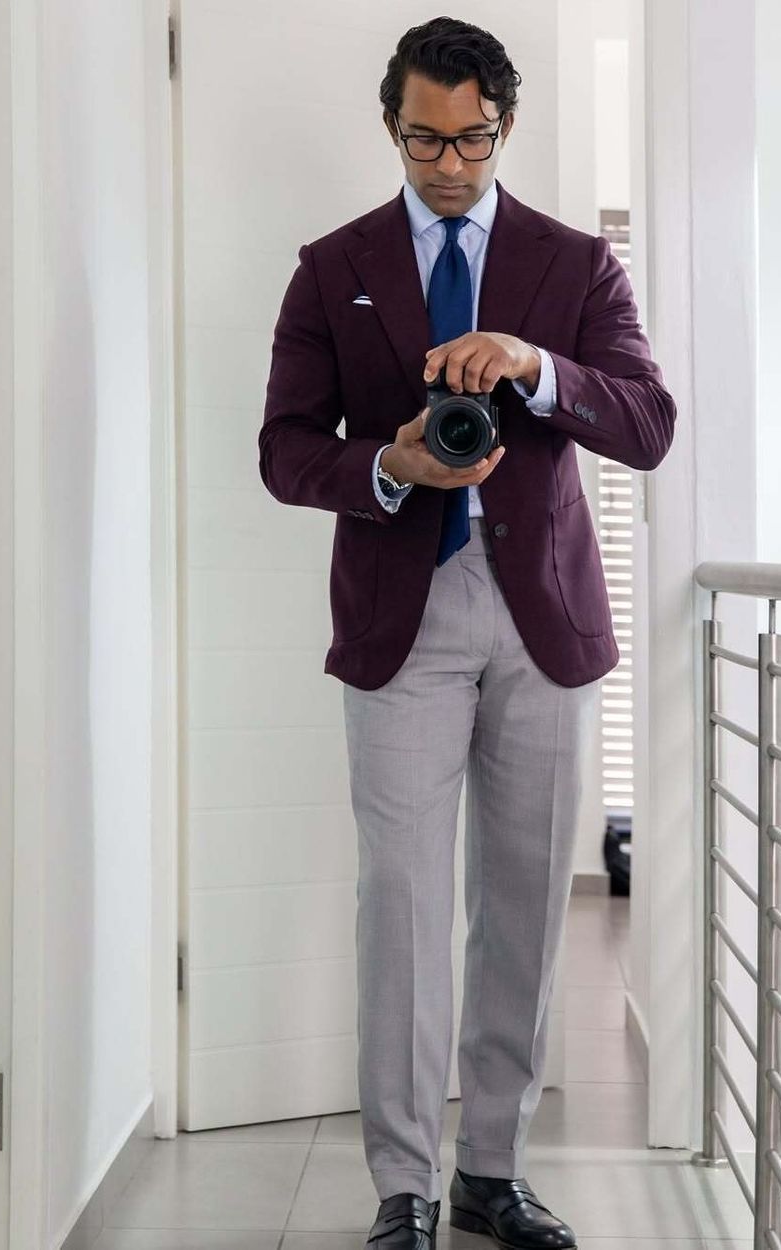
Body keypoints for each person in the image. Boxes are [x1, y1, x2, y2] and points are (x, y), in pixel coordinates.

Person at [259, 16, 677, 1250]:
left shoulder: (573, 265)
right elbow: (284, 450)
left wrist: (536, 366)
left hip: (541, 618)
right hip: (402, 616)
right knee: (399, 898)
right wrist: (386, 461)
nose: (449, 163)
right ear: (391, 124)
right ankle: (403, 1182)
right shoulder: (331, 265)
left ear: (507, 122)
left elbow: (646, 422)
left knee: (526, 898)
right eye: (423, 137)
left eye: (473, 138)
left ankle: (492, 1167)